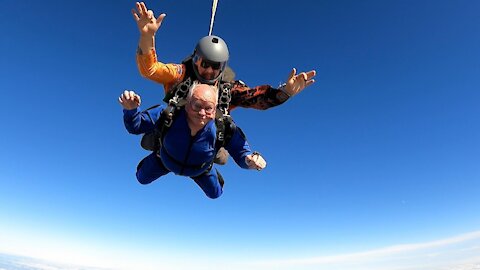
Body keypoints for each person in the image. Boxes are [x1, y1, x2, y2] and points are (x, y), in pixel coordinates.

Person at [131, 1, 316, 163]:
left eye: (216, 66)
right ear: (195, 59)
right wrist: (147, 37)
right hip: (175, 129)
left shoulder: (227, 89)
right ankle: (161, 144)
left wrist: (284, 93)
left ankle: (208, 153)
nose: (209, 70)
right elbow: (151, 70)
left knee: (221, 153)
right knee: (156, 135)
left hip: (204, 137)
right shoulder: (181, 74)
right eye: (205, 63)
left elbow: (255, 98)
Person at [119, 83, 267, 199]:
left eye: (209, 108)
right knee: (141, 178)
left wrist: (249, 160)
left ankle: (210, 170)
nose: (202, 113)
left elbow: (241, 151)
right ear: (188, 103)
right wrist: (130, 110)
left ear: (215, 109)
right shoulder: (169, 114)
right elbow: (136, 126)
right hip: (164, 160)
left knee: (216, 194)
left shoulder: (223, 127)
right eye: (197, 105)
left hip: (200, 169)